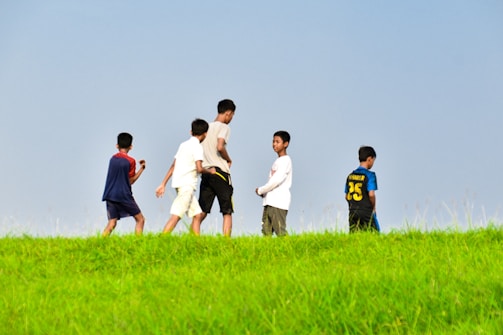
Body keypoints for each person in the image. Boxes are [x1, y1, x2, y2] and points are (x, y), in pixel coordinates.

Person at [155, 119, 215, 235]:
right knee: (176, 215)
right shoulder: (197, 147)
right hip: (187, 186)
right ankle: (161, 239)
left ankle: (196, 244)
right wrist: (210, 171)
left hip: (179, 184)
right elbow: (199, 168)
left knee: (197, 215)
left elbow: (173, 165)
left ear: (190, 132)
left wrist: (163, 184)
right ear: (205, 134)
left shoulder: (183, 145)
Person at [193, 99, 236, 237]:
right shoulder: (224, 127)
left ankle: (194, 239)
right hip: (220, 172)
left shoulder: (205, 128)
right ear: (228, 113)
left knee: (201, 211)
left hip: (206, 172)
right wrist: (228, 159)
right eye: (232, 116)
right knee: (227, 210)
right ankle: (226, 242)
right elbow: (220, 146)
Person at [102, 132, 146, 236]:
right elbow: (131, 181)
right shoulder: (130, 161)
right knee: (140, 220)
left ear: (117, 146)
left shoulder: (112, 159)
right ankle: (138, 244)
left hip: (110, 194)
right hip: (124, 195)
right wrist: (142, 169)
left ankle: (99, 243)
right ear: (131, 147)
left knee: (112, 222)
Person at [255, 131, 293, 236]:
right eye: (273, 141)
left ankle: (290, 250)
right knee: (266, 232)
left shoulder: (285, 160)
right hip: (269, 201)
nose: (274, 144)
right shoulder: (278, 161)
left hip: (278, 202)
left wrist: (261, 190)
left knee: (280, 231)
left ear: (286, 144)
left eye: (277, 142)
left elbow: (276, 180)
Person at [344, 146, 380, 233]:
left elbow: (346, 196)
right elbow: (371, 194)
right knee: (375, 235)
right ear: (369, 159)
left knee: (354, 237)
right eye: (373, 161)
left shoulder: (350, 176)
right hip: (366, 211)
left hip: (353, 212)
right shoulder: (370, 175)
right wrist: (373, 208)